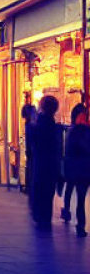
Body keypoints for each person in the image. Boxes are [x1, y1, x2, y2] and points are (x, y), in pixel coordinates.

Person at [29, 94, 62, 230]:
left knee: (40, 189)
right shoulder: (53, 125)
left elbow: (33, 143)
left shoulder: (38, 123)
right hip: (50, 163)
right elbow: (56, 146)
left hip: (40, 162)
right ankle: (45, 218)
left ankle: (40, 216)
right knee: (48, 192)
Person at [61, 104, 90, 237]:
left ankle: (80, 225)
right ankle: (70, 215)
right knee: (72, 192)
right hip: (77, 168)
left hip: (81, 169)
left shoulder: (73, 131)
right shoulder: (75, 131)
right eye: (82, 116)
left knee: (80, 198)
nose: (84, 118)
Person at [21, 91, 36, 193]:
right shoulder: (29, 109)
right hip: (29, 133)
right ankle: (29, 185)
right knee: (30, 163)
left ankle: (29, 185)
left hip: (30, 134)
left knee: (30, 163)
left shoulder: (31, 109)